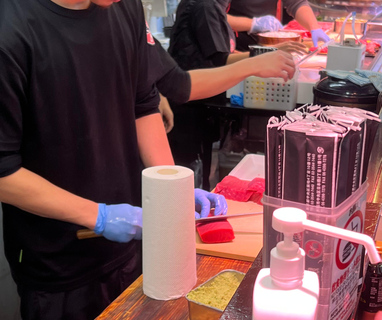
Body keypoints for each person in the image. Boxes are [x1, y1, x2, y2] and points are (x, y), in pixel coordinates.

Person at [0, 0, 295, 319]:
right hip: (58, 263)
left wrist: (171, 188)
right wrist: (98, 215)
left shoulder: (124, 7)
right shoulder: (11, 28)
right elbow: (4, 171)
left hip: (133, 245)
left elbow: (144, 104)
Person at [166, 0, 304, 190]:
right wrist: (264, 56)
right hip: (191, 105)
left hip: (200, 100)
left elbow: (223, 52)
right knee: (190, 177)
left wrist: (265, 56)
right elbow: (220, 60)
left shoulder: (216, 6)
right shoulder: (205, 6)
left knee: (201, 174)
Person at [227, 0, 330, 51]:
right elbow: (214, 16)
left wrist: (314, 27)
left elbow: (296, 3)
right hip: (232, 43)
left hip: (265, 42)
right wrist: (252, 24)